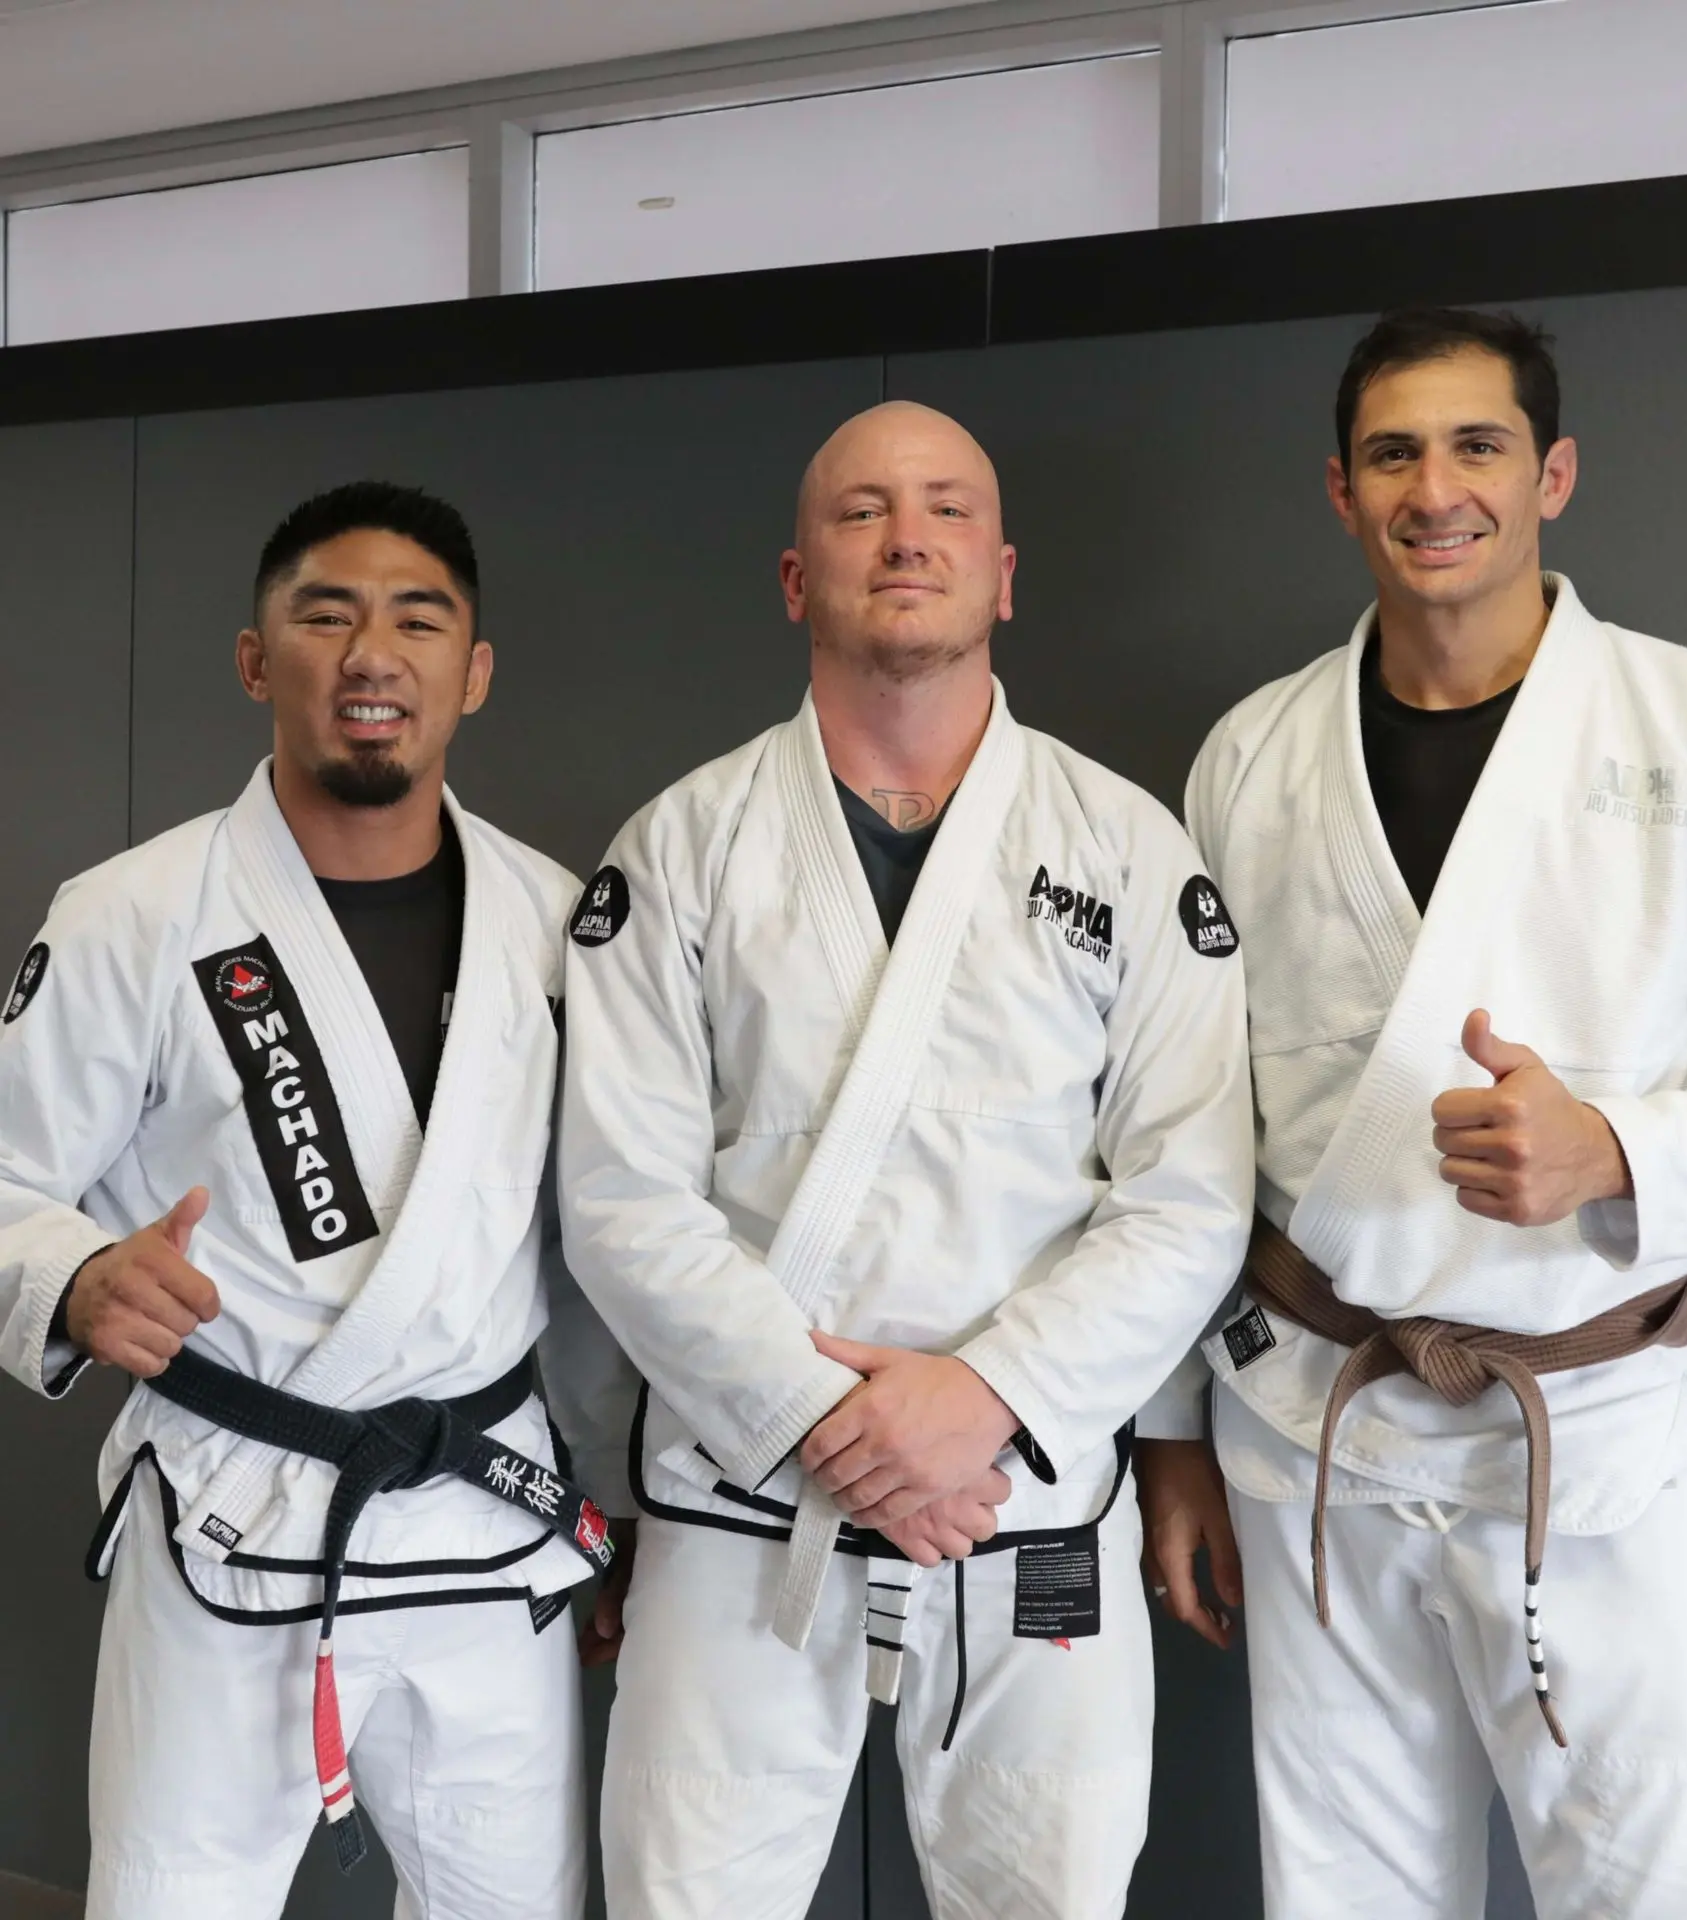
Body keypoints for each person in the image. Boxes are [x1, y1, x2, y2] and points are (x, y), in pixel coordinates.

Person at [1139, 309, 1687, 1920]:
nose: (1437, 488)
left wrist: (1617, 1153)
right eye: (1393, 452)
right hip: (1314, 1426)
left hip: (1602, 1426)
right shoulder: (1253, 760)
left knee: (1670, 1887)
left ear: (1552, 473)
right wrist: (1171, 1442)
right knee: (1342, 1896)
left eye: (1478, 445)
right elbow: (1179, 1134)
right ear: (1340, 491)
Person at [561, 400, 1254, 1919]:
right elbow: (620, 1198)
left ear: (1003, 575)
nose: (907, 535)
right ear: (797, 578)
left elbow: (1189, 1197)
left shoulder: (1129, 848)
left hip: (1026, 1502)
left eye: (944, 508)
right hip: (746, 1499)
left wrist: (984, 1399)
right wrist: (831, 1418)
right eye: (862, 510)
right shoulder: (678, 848)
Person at [0, 482, 631, 1920]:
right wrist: (80, 1273)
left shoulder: (560, 922)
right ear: (253, 659)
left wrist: (612, 1484)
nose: (370, 655)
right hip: (235, 1510)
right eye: (325, 616)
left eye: (419, 620)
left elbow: (601, 1244)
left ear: (472, 674)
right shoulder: (134, 914)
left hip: (485, 1520)